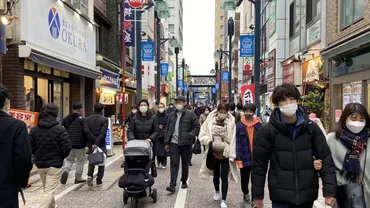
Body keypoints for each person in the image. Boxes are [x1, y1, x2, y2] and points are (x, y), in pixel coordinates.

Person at [252, 83, 337, 208]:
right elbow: (259, 165)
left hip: (307, 194)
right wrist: (257, 195)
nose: (288, 104)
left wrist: (329, 192)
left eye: (291, 99)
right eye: (283, 101)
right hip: (280, 195)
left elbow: (326, 159)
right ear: (277, 104)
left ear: (297, 101)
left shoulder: (310, 128)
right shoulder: (267, 131)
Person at [326, 103, 370, 206]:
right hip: (343, 196)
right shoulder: (332, 139)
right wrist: (329, 192)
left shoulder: (368, 139)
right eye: (353, 119)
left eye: (361, 120)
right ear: (344, 119)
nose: (357, 123)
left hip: (368, 194)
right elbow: (327, 167)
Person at [29, 103, 71, 208]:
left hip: (40, 164)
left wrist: (36, 154)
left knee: (47, 189)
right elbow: (66, 147)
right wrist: (61, 156)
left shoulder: (34, 130)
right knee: (49, 191)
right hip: (54, 164)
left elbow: (30, 146)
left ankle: (53, 206)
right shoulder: (60, 129)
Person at [199, 103, 238, 208]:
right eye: (221, 112)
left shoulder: (231, 123)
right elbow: (202, 134)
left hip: (226, 154)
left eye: (225, 113)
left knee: (224, 176)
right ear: (217, 111)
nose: (223, 114)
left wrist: (231, 152)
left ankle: (224, 199)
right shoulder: (209, 121)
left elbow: (234, 139)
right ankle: (217, 191)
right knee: (216, 175)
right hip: (213, 154)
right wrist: (209, 141)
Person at [0, 84, 33, 208]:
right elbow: (23, 158)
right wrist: (21, 181)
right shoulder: (16, 126)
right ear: (6, 102)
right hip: (6, 187)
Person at [165, 95, 200, 193]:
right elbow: (168, 129)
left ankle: (184, 180)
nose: (178, 104)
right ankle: (172, 184)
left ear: (184, 104)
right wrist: (167, 142)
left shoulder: (190, 114)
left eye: (180, 102)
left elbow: (197, 126)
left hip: (185, 143)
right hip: (174, 143)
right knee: (174, 164)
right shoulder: (171, 115)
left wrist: (190, 135)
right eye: (177, 102)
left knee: (185, 163)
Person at [235, 103, 262, 206]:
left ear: (254, 112)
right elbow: (237, 143)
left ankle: (255, 198)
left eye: (250, 112)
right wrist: (238, 158)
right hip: (245, 156)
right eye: (246, 111)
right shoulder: (239, 126)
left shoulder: (259, 125)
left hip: (256, 157)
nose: (248, 113)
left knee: (256, 180)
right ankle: (245, 194)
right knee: (244, 179)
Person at [60, 103, 91, 185]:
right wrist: (90, 141)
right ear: (80, 109)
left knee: (69, 159)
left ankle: (66, 171)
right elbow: (86, 131)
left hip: (69, 143)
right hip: (80, 144)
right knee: (80, 160)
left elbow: (62, 131)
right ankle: (78, 177)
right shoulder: (82, 120)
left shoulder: (66, 119)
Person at [127, 99, 159, 171]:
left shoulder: (153, 117)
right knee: (138, 164)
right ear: (138, 107)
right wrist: (132, 139)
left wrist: (150, 138)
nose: (143, 107)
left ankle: (148, 178)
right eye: (141, 105)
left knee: (149, 164)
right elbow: (130, 130)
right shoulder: (134, 118)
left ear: (148, 106)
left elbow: (156, 131)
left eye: (145, 105)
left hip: (149, 145)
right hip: (137, 146)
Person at [85, 103, 108, 187]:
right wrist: (97, 142)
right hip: (101, 143)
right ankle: (99, 180)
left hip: (91, 143)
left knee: (92, 160)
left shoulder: (87, 119)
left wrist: (93, 142)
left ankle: (89, 175)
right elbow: (102, 133)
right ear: (102, 110)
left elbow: (87, 131)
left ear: (94, 108)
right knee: (101, 162)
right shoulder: (104, 119)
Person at [156, 103, 169, 169]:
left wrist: (163, 126)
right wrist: (158, 126)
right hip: (157, 134)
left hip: (164, 134)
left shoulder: (167, 116)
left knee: (164, 150)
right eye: (159, 107)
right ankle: (158, 162)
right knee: (158, 149)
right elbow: (154, 124)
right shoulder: (155, 116)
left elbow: (169, 125)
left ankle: (164, 163)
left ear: (164, 107)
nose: (160, 108)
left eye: (161, 107)